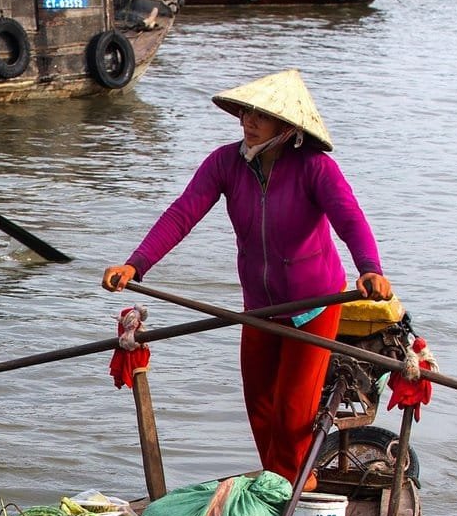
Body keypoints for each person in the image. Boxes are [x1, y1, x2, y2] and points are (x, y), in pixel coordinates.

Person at [101, 68, 395, 492]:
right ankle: (283, 482)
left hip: (313, 304)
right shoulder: (225, 163)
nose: (248, 122)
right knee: (259, 405)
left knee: (292, 411)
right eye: (245, 112)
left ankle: (294, 488)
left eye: (260, 115)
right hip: (259, 306)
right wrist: (136, 264)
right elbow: (183, 213)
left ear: (287, 126)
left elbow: (349, 218)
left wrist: (370, 269)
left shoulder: (315, 168)